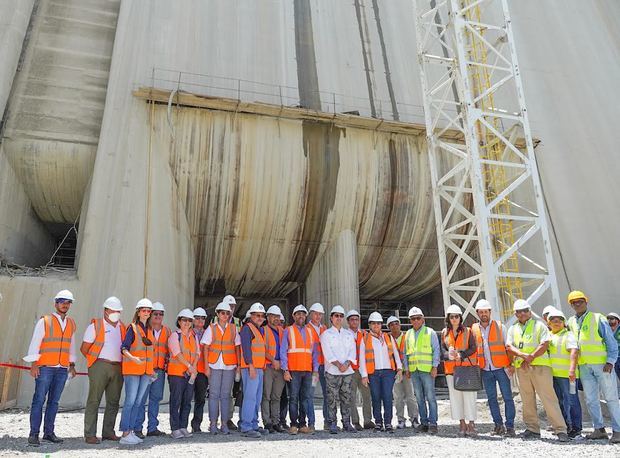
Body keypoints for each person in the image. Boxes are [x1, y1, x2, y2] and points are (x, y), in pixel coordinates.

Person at [506, 299, 568, 442]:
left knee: (548, 398)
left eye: (525, 311)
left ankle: (560, 429)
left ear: (530, 311)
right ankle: (532, 429)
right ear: (515, 314)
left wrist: (531, 357)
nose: (522, 314)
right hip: (522, 368)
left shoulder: (539, 325)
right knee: (527, 399)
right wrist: (523, 356)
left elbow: (545, 343)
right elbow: (509, 347)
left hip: (540, 367)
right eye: (519, 312)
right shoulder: (512, 328)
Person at [25, 290, 77, 447]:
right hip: (46, 367)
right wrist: (34, 363)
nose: (65, 305)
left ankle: (48, 433)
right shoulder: (45, 321)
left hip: (62, 368)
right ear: (56, 303)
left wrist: (72, 365)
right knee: (39, 400)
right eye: (62, 301)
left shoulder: (71, 323)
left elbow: (71, 346)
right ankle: (34, 434)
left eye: (68, 302)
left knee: (54, 402)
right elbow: (35, 342)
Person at [566, 290, 620, 443]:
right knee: (590, 399)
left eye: (580, 301)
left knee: (611, 398)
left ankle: (618, 430)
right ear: (571, 305)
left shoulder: (598, 318)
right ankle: (599, 429)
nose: (577, 304)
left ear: (586, 302)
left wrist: (610, 361)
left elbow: (611, 341)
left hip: (602, 365)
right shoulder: (571, 322)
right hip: (584, 366)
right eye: (574, 302)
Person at [81, 296, 125, 444]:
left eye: (118, 311)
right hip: (99, 365)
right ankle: (90, 434)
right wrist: (94, 364)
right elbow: (84, 349)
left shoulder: (122, 327)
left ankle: (108, 432)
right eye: (114, 310)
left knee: (114, 401)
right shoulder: (95, 326)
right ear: (105, 311)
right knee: (94, 400)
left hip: (118, 367)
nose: (116, 313)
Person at [471, 299, 515, 437]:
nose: (484, 314)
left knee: (507, 397)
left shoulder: (500, 326)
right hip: (485, 369)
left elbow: (508, 348)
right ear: (477, 313)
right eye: (481, 312)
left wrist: (511, 364)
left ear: (490, 312)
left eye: (486, 311)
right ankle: (498, 425)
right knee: (491, 399)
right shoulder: (474, 329)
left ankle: (510, 426)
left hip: (501, 367)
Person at [201, 301, 241, 434]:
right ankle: (213, 424)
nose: (225, 315)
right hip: (214, 365)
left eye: (227, 313)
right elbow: (206, 347)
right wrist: (206, 366)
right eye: (222, 313)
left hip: (229, 366)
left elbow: (237, 348)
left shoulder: (233, 328)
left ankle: (224, 424)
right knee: (213, 395)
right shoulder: (211, 328)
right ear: (218, 314)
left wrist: (238, 366)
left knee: (225, 396)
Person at [119, 298, 155, 445]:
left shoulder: (150, 330)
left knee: (139, 402)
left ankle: (131, 431)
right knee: (130, 401)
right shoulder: (132, 328)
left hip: (146, 372)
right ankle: (125, 433)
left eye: (148, 311)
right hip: (133, 369)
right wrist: (134, 359)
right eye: (143, 310)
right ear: (138, 312)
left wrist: (151, 371)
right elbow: (123, 348)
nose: (146, 313)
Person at [360, 312, 402, 432]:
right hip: (373, 373)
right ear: (370, 325)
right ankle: (378, 422)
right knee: (376, 397)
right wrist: (364, 375)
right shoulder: (365, 338)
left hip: (388, 372)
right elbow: (362, 358)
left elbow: (395, 353)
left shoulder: (388, 337)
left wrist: (399, 368)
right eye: (373, 323)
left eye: (378, 323)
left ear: (381, 324)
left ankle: (388, 423)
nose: (376, 325)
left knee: (388, 397)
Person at [440, 304, 479, 437]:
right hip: (451, 370)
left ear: (460, 318)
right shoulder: (444, 332)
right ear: (448, 318)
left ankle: (471, 424)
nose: (454, 319)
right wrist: (447, 355)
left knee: (469, 397)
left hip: (466, 369)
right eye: (452, 317)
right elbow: (442, 350)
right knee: (456, 398)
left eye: (457, 316)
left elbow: (474, 347)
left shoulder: (468, 331)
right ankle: (462, 424)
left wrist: (462, 354)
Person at [281, 304, 319, 435]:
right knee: (293, 398)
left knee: (304, 398)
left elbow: (314, 352)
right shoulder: (288, 330)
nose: (301, 316)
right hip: (293, 370)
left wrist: (315, 369)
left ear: (305, 316)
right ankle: (293, 424)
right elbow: (283, 351)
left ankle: (303, 424)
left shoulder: (310, 332)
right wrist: (285, 370)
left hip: (307, 371)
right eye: (298, 314)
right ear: (293, 316)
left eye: (303, 314)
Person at [320, 305, 358, 434]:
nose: (339, 318)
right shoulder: (326, 334)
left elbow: (353, 351)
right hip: (332, 371)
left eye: (341, 316)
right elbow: (327, 352)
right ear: (331, 318)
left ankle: (347, 423)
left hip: (347, 372)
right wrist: (338, 364)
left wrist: (346, 364)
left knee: (346, 398)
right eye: (336, 315)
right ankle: (332, 424)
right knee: (331, 399)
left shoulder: (348, 334)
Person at [135, 301, 170, 437]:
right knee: (142, 400)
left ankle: (152, 428)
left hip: (159, 371)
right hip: (146, 370)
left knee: (155, 399)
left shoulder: (167, 331)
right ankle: (138, 428)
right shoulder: (145, 329)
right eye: (155, 313)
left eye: (161, 314)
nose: (158, 316)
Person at [547, 308, 582, 439]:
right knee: (559, 402)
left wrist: (572, 370)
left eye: (559, 320)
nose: (556, 323)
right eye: (553, 321)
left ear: (564, 323)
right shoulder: (549, 336)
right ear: (549, 324)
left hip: (568, 376)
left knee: (572, 401)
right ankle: (565, 426)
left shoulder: (568, 335)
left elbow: (574, 352)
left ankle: (576, 428)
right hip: (554, 375)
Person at [404, 306, 439, 435]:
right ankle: (424, 423)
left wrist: (435, 366)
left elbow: (436, 350)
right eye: (413, 319)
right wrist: (407, 368)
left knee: (430, 397)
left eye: (418, 318)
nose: (416, 321)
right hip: (414, 371)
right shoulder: (408, 334)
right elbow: (405, 353)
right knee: (419, 398)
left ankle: (433, 423)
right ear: (410, 320)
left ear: (423, 319)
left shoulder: (430, 332)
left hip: (427, 370)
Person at [168, 308, 200, 439]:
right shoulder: (175, 335)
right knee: (176, 401)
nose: (187, 322)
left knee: (187, 401)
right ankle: (175, 428)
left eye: (189, 320)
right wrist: (189, 366)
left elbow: (197, 353)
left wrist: (193, 367)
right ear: (179, 321)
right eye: (184, 320)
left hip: (190, 373)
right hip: (177, 374)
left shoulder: (194, 336)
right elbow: (177, 353)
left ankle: (183, 427)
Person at [212, 294, 242, 431]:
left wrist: (239, 365)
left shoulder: (237, 322)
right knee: (216, 393)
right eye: (228, 306)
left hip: (231, 363)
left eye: (233, 306)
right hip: (217, 363)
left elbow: (238, 344)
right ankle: (214, 421)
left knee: (229, 394)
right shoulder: (214, 321)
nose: (230, 308)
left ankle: (227, 419)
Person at [239, 302, 268, 438]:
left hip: (259, 369)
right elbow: (246, 349)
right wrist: (250, 366)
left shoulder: (259, 330)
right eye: (257, 315)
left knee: (257, 398)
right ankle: (246, 426)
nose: (260, 318)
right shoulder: (247, 328)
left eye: (262, 316)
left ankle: (254, 424)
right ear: (251, 315)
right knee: (250, 398)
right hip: (251, 368)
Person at [387, 316, 419, 429]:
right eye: (391, 324)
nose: (394, 326)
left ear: (400, 325)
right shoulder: (387, 339)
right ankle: (400, 419)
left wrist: (408, 369)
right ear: (389, 327)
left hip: (407, 371)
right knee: (398, 397)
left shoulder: (407, 337)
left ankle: (414, 418)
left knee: (410, 396)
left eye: (396, 323)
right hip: (394, 372)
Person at [346, 309, 373, 430]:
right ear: (348, 321)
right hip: (350, 370)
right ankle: (355, 422)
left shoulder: (364, 334)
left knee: (366, 395)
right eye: (352, 319)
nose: (355, 321)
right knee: (351, 397)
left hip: (363, 370)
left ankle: (367, 420)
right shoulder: (344, 335)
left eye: (356, 319)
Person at [261, 305, 286, 433]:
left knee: (277, 396)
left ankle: (276, 422)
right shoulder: (263, 330)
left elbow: (286, 349)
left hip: (281, 368)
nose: (276, 319)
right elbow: (261, 349)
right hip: (268, 368)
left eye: (278, 316)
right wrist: (273, 360)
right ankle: (267, 422)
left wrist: (282, 363)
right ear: (268, 317)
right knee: (266, 396)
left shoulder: (283, 331)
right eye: (273, 316)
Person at [307, 302, 329, 429]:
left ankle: (328, 422)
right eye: (316, 314)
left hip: (325, 365)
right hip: (312, 368)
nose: (318, 316)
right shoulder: (306, 329)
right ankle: (311, 423)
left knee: (327, 394)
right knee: (310, 394)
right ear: (311, 314)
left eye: (320, 314)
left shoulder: (325, 329)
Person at [190, 307, 208, 433]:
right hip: (189, 370)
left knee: (200, 399)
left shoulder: (208, 333)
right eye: (197, 318)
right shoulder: (186, 333)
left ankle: (196, 424)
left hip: (202, 371)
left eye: (203, 318)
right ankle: (182, 425)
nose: (200, 320)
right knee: (185, 399)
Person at [607, 312, 620, 381]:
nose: (609, 321)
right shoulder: (607, 331)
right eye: (608, 319)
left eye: (612, 319)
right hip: (614, 360)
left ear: (618, 321)